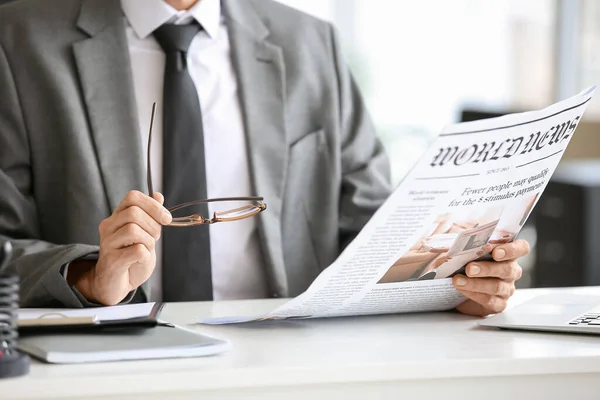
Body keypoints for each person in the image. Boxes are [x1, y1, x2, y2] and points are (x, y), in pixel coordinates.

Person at [0, 0, 529, 316]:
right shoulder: (18, 40)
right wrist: (89, 277)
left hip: (288, 364)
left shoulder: (310, 43)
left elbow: (369, 229)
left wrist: (453, 284)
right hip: (110, 370)